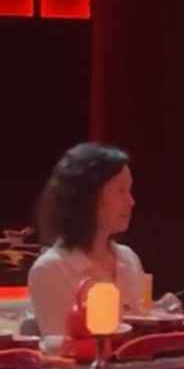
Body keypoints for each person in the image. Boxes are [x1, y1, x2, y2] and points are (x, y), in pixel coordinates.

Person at [28, 143, 148, 338]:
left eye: (129, 190)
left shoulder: (129, 259)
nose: (131, 201)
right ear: (88, 197)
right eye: (120, 191)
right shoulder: (51, 270)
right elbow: (62, 348)